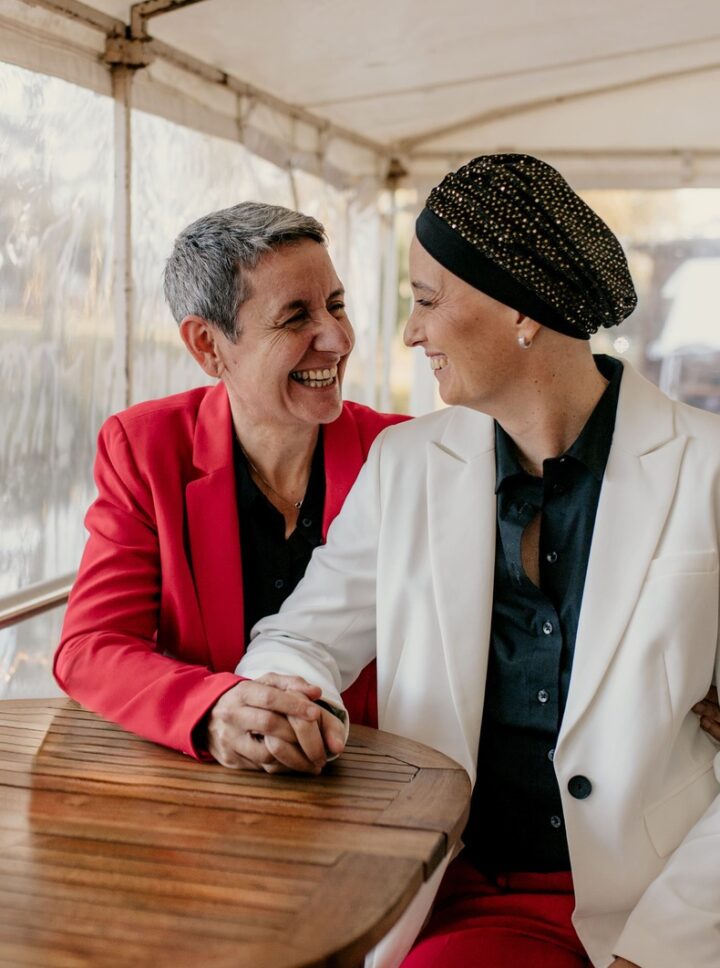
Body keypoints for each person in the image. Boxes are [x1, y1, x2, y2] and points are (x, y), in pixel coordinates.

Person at [237, 155, 720, 968]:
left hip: (665, 902)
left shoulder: (708, 471)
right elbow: (302, 640)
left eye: (426, 300)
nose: (409, 332)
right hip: (443, 887)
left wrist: (663, 948)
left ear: (523, 311)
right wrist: (281, 694)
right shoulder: (407, 465)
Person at [53, 202, 404, 770]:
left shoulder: (403, 453)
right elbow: (90, 648)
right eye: (295, 318)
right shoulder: (145, 449)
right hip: (204, 794)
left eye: (336, 306)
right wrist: (210, 709)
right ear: (207, 346)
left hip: (377, 779)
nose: (338, 339)